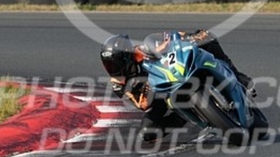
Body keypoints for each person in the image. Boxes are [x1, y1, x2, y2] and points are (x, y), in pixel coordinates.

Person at [99, 29, 255, 142]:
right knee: (147, 133)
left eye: (114, 64)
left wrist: (181, 39)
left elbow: (169, 37)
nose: (112, 69)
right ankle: (183, 117)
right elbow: (143, 105)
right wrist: (146, 86)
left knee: (206, 38)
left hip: (173, 73)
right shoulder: (118, 84)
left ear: (127, 56)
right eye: (108, 65)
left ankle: (240, 79)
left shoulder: (141, 52)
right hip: (158, 97)